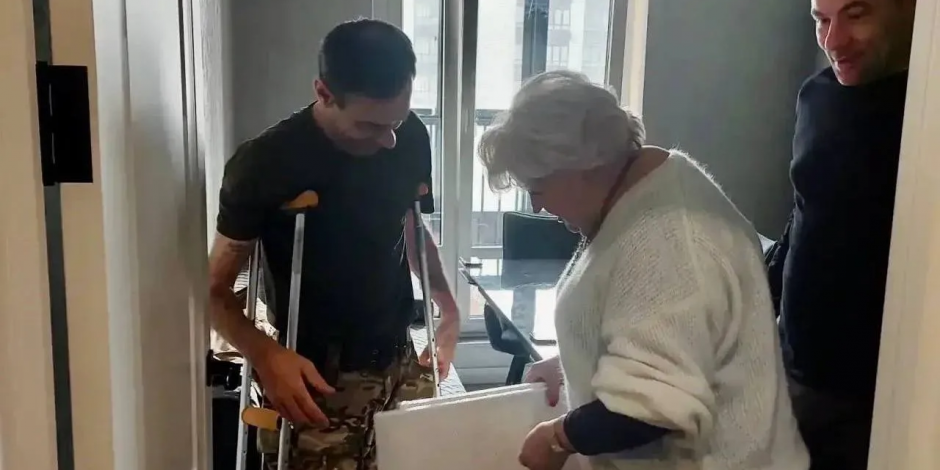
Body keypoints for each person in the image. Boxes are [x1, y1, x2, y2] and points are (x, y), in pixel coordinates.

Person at [478, 70, 809, 470]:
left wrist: (557, 438)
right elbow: (660, 331)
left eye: (537, 189)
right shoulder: (641, 188)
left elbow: (649, 408)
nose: (536, 206)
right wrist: (575, 362)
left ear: (580, 167)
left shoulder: (670, 238)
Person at [207, 19, 460, 470]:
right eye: (369, 125)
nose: (389, 139)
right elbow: (215, 290)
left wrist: (448, 305)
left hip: (399, 352)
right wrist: (265, 355)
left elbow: (412, 226)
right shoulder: (264, 163)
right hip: (315, 371)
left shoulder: (409, 137)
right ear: (323, 93)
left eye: (397, 120)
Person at [766, 1, 916, 469]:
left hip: (869, 394)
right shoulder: (817, 96)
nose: (833, 41)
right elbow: (804, 213)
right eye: (821, 19)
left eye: (856, 15)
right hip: (791, 364)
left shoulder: (922, 116)